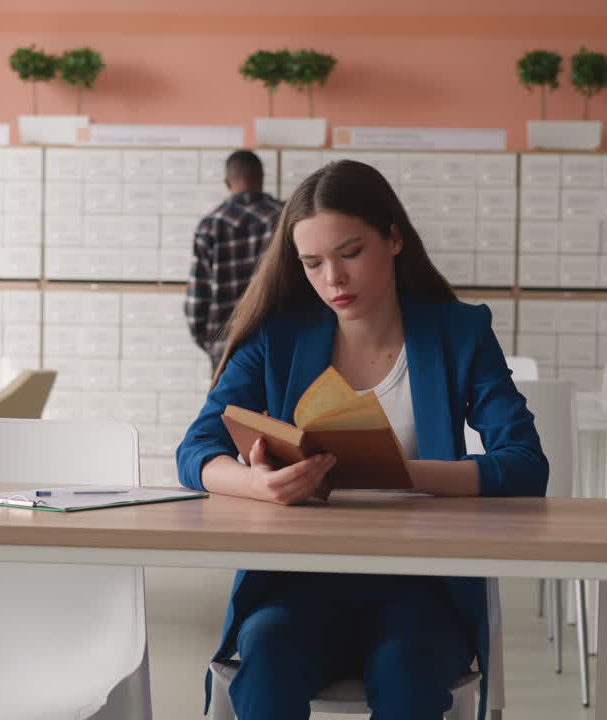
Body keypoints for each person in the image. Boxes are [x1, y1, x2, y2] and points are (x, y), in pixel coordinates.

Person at [175, 160, 548, 719]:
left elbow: (524, 466)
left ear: (394, 237)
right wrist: (259, 485)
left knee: (408, 675)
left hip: (421, 585)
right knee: (268, 660)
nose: (333, 280)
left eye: (350, 253)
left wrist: (396, 473)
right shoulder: (277, 337)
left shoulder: (458, 332)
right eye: (312, 263)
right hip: (299, 581)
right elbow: (195, 451)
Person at [184, 150, 283, 364]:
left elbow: (197, 297)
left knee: (228, 399)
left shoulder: (209, 225)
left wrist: (211, 343)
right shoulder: (285, 218)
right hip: (278, 343)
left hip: (226, 346)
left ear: (227, 182)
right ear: (262, 178)